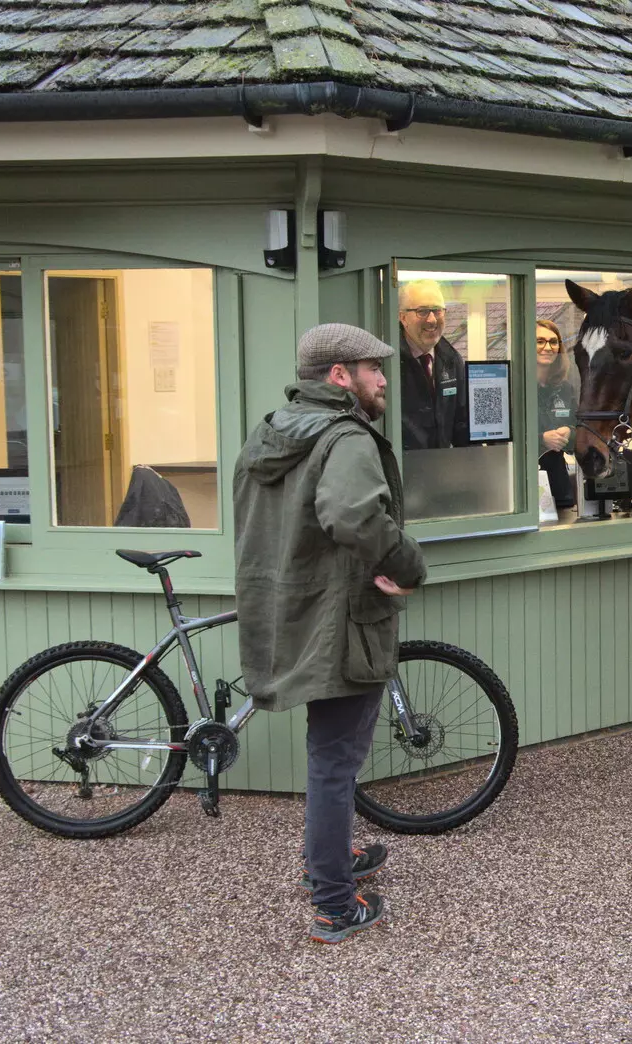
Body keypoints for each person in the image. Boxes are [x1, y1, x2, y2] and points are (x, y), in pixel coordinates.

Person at [233, 323, 427, 944]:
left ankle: (331, 861)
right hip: (341, 618)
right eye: (373, 369)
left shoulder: (271, 432)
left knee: (329, 754)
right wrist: (405, 564)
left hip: (289, 610)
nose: (382, 381)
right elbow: (350, 514)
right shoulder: (344, 436)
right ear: (340, 375)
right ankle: (335, 902)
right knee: (335, 761)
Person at [398, 279, 470, 450]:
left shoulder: (452, 360)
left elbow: (461, 424)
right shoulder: (387, 362)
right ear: (403, 317)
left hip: (440, 468)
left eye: (437, 311)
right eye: (422, 311)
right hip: (400, 469)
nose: (431, 320)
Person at [535, 319, 578, 524]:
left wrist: (570, 432)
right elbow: (502, 440)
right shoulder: (514, 386)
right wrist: (541, 439)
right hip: (525, 487)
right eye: (540, 341)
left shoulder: (566, 388)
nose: (548, 347)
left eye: (553, 342)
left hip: (559, 487)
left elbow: (581, 431)